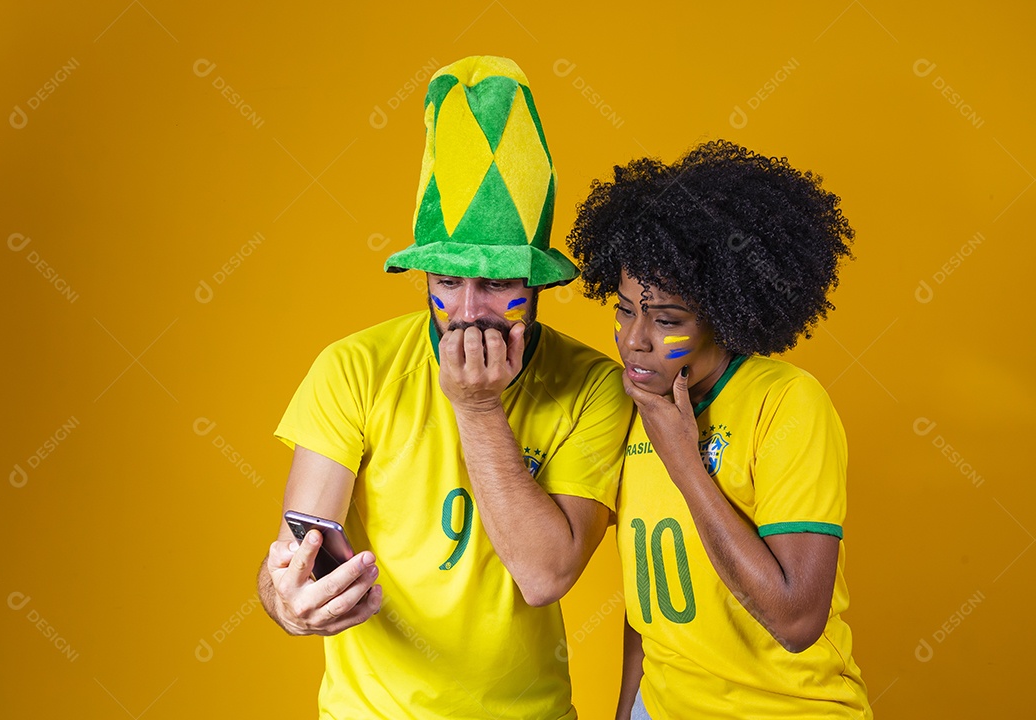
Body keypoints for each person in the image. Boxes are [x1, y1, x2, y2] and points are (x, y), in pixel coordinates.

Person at [256, 56, 633, 719]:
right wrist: (287, 600)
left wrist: (478, 405)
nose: (467, 309)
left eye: (495, 284)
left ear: (536, 284)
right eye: (446, 282)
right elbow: (298, 547)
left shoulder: (593, 387)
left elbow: (545, 575)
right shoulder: (354, 368)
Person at [567, 140, 872, 719]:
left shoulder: (786, 403)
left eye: (667, 320)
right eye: (626, 309)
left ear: (725, 314)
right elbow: (649, 613)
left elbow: (796, 619)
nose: (636, 339)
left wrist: (684, 462)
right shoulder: (628, 403)